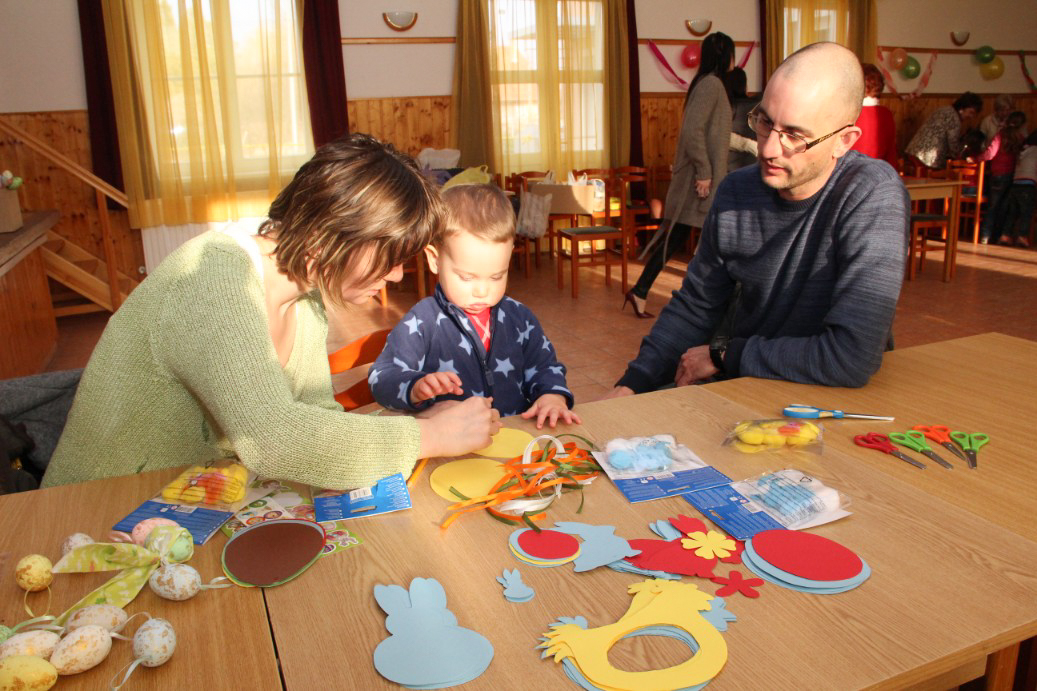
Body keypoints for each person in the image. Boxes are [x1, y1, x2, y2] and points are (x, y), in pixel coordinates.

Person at [43, 134, 501, 489]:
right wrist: (429, 437)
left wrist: (423, 423)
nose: (397, 275)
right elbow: (273, 440)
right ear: (333, 233)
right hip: (92, 507)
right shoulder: (213, 275)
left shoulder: (307, 302)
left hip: (185, 501)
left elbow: (314, 423)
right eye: (391, 257)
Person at [606, 42, 909, 396]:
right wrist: (632, 384)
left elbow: (851, 357)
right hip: (751, 386)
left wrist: (725, 355)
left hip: (836, 397)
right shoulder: (737, 190)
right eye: (764, 122)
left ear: (844, 141)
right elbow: (696, 306)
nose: (767, 149)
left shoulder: (873, 194)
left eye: (794, 136)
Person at [368, 184, 580, 429]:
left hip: (513, 437)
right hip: (454, 441)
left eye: (496, 276)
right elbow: (381, 377)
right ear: (435, 260)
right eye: (467, 277)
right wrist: (414, 387)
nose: (482, 291)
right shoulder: (422, 322)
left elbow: (545, 366)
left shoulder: (520, 318)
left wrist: (552, 395)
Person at [624, 31, 736, 319]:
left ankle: (642, 291)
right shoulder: (711, 84)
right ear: (725, 55)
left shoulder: (707, 83)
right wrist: (704, 173)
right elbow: (692, 131)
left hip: (700, 179)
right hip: (699, 183)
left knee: (680, 239)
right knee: (686, 240)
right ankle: (668, 297)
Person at [976, 111, 1028, 244]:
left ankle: (985, 235)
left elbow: (990, 154)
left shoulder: (1000, 135)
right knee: (1005, 208)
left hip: (997, 174)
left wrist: (977, 159)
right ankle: (999, 236)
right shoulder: (1021, 138)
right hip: (1013, 176)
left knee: (992, 206)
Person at [904, 91, 983, 172]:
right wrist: (963, 155)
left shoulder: (945, 109)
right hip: (926, 159)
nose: (971, 116)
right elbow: (953, 146)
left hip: (914, 150)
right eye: (971, 112)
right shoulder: (954, 119)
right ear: (962, 108)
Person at [851, 63, 898, 169]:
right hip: (879, 171)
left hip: (851, 171)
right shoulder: (886, 113)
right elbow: (891, 153)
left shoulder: (850, 112)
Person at [997, 130, 1037, 248]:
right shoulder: (1035, 151)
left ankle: (1005, 235)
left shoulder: (1022, 150)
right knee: (1026, 212)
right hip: (1028, 185)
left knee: (1012, 213)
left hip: (1015, 183)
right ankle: (1022, 236)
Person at [727, 67, 761, 172]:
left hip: (727, 170)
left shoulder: (725, 109)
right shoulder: (758, 108)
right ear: (745, 87)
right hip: (754, 168)